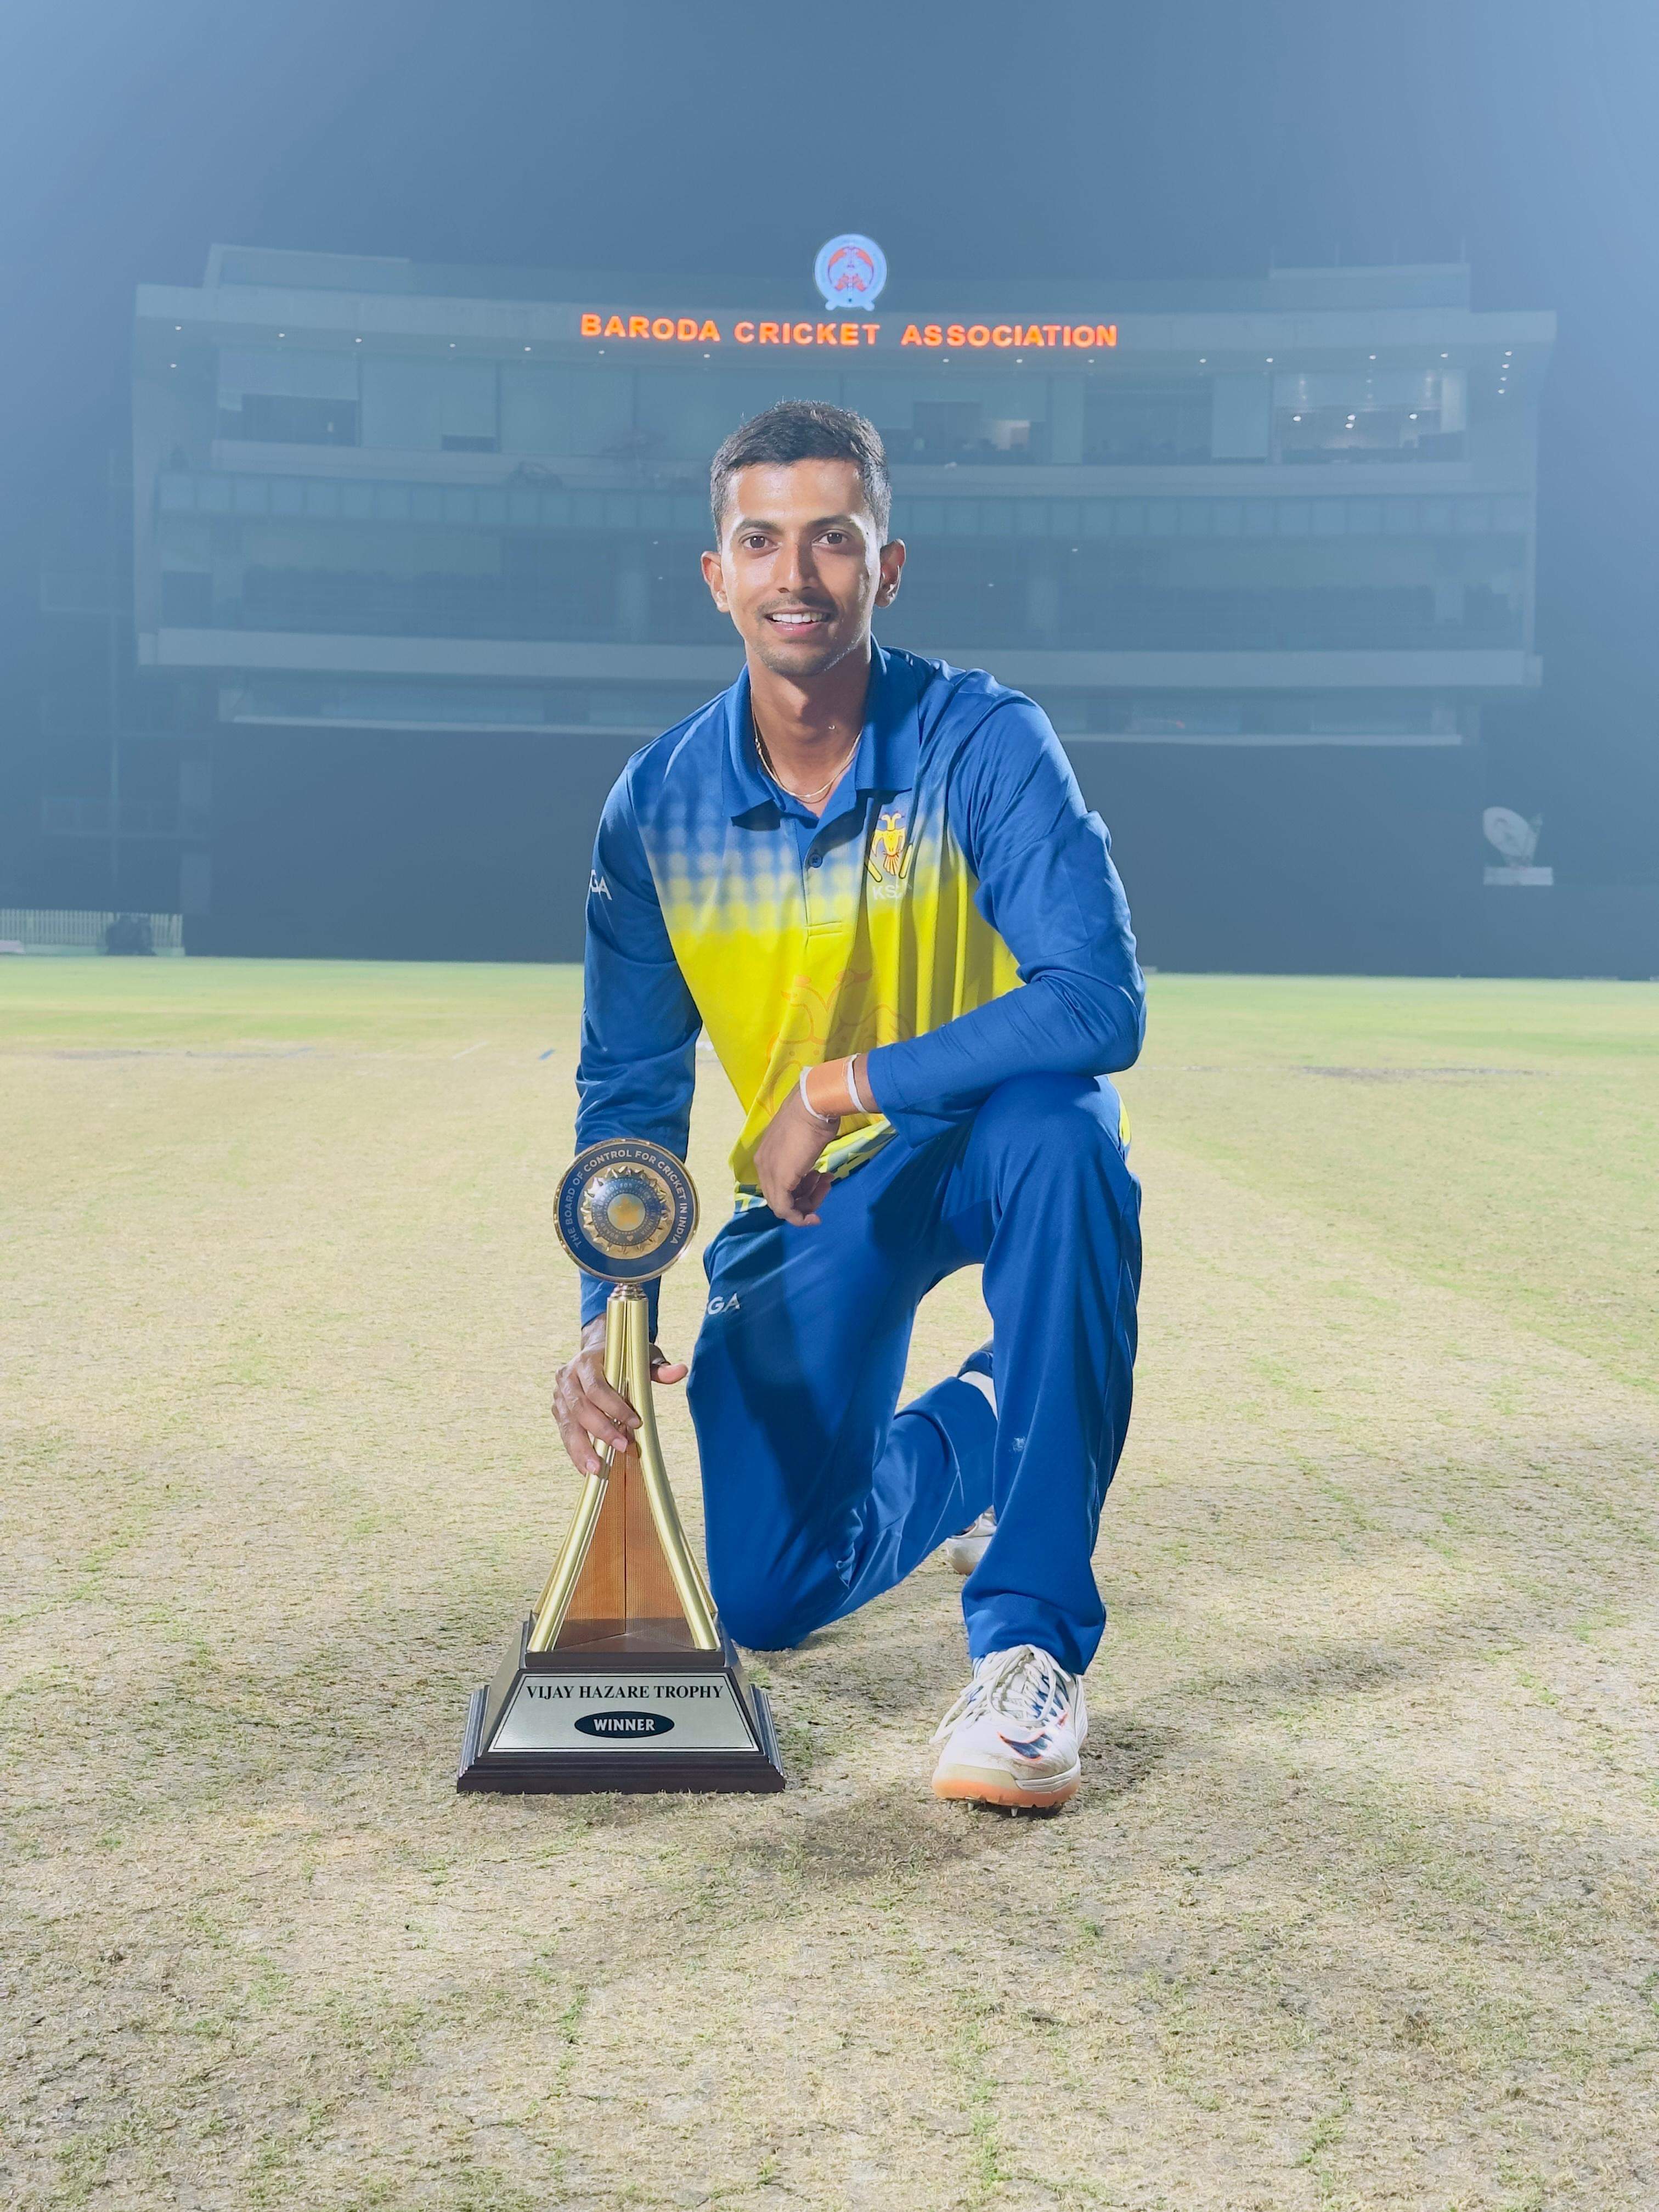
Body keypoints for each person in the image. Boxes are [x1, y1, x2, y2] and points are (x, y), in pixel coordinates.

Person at [554, 400, 1143, 1811]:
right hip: (811, 1201)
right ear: (717, 573)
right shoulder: (657, 809)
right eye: (761, 541)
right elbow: (629, 1091)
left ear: (887, 568)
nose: (795, 575)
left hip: (990, 1142)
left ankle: (1028, 1654)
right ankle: (993, 1421)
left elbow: (1097, 1001)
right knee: (767, 1593)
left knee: (1069, 1139)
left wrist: (840, 1083)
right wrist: (604, 1319)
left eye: (833, 539)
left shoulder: (983, 740)